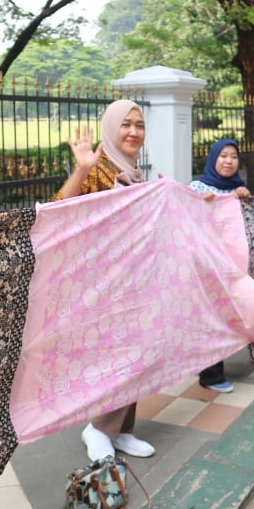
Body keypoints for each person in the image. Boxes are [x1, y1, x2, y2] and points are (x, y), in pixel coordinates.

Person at [53, 99, 157, 462]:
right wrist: (81, 171)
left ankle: (120, 429)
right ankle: (97, 428)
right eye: (125, 124)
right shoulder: (98, 171)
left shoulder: (135, 173)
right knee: (120, 355)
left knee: (139, 353)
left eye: (139, 125)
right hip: (103, 283)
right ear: (111, 128)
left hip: (136, 280)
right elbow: (57, 211)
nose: (133, 131)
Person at [188, 139, 251, 394]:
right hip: (205, 264)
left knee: (231, 313)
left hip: (231, 265)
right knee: (212, 316)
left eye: (233, 156)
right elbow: (183, 215)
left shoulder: (238, 188)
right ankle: (211, 375)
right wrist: (198, 202)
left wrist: (246, 199)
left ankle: (211, 366)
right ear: (213, 158)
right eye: (223, 156)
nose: (228, 161)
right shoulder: (197, 186)